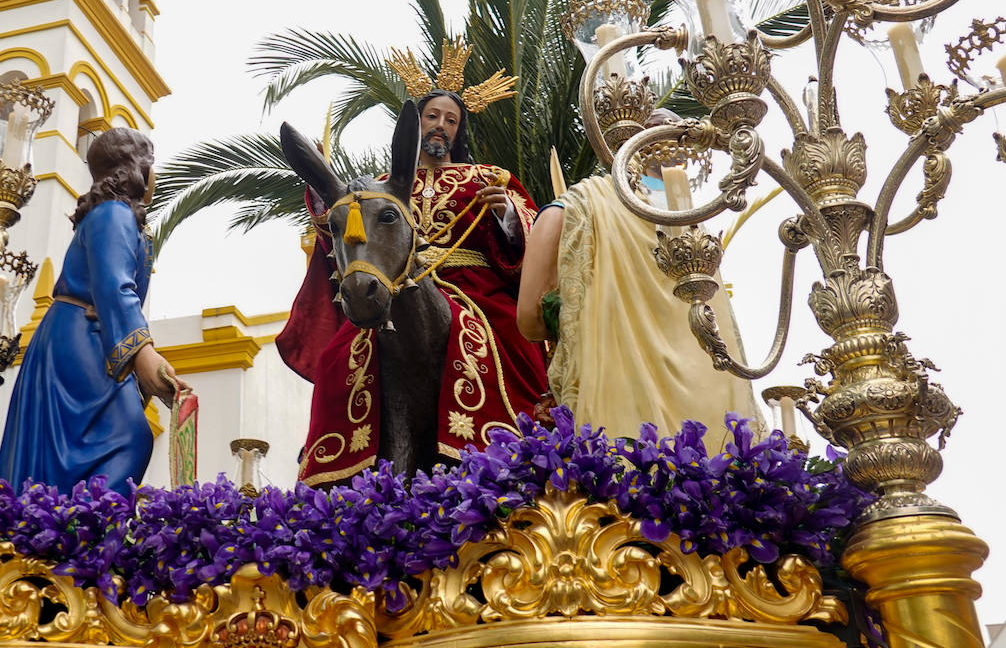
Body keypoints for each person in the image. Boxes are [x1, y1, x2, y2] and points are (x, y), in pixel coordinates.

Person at [279, 43, 549, 484]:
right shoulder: (380, 187)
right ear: (417, 124)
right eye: (432, 117)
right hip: (393, 285)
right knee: (339, 356)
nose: (440, 126)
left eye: (450, 120)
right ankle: (335, 464)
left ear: (459, 132)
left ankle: (520, 451)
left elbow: (533, 232)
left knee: (514, 343)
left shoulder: (486, 177)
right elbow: (348, 228)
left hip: (474, 287)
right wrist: (325, 201)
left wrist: (504, 214)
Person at [516, 119, 758, 439]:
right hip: (705, 406)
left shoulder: (587, 207)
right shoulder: (694, 236)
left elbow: (531, 320)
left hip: (624, 395)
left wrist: (576, 313)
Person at [0, 128, 189, 496]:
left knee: (102, 442)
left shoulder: (112, 216)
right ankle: (85, 533)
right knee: (128, 438)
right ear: (139, 170)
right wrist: (144, 357)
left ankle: (73, 525)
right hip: (82, 334)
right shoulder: (114, 215)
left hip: (86, 335)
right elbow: (115, 288)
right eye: (151, 164)